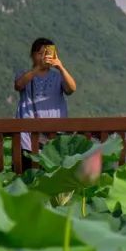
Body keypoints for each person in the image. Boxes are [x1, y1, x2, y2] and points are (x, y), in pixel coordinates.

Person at [14, 38, 76, 167]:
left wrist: (60, 67)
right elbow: (19, 85)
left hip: (54, 133)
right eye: (40, 53)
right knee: (27, 170)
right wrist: (38, 69)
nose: (44, 57)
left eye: (48, 53)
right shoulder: (24, 75)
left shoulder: (58, 76)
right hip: (28, 135)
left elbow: (71, 89)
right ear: (32, 55)